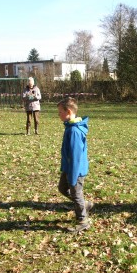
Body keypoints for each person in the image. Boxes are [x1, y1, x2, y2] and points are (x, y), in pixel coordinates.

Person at [57, 97, 93, 232]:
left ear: (69, 111)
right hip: (69, 167)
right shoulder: (70, 127)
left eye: (60, 112)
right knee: (62, 188)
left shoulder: (74, 131)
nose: (59, 115)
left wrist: (72, 176)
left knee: (76, 194)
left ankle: (83, 220)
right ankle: (85, 205)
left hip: (75, 170)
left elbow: (76, 156)